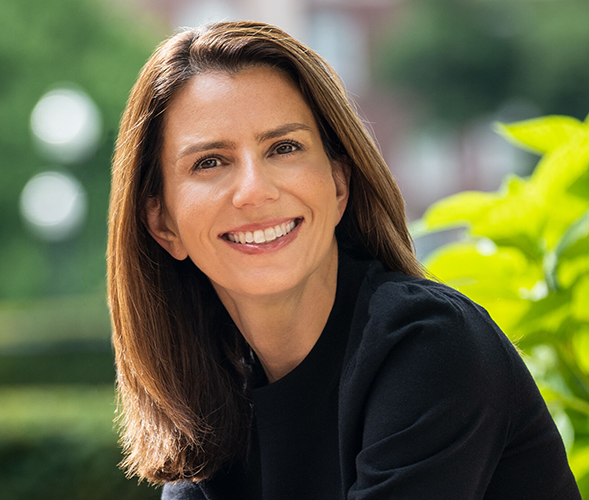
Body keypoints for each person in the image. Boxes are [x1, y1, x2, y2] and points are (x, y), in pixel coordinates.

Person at [106, 21, 580, 499]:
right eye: (210, 161)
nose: (255, 190)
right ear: (162, 223)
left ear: (338, 186)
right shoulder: (211, 400)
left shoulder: (432, 346)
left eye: (284, 148)